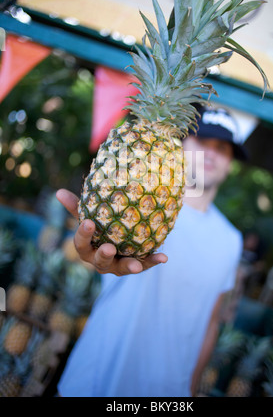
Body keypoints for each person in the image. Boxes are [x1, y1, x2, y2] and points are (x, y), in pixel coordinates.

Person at [56, 106, 247, 397]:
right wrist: (93, 252)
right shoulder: (136, 200)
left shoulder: (231, 240)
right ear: (180, 144)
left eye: (222, 147)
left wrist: (191, 388)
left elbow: (211, 320)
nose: (211, 153)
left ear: (231, 161)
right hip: (94, 381)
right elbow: (101, 254)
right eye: (202, 140)